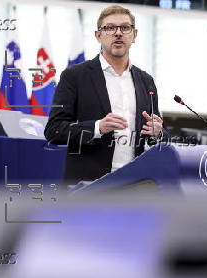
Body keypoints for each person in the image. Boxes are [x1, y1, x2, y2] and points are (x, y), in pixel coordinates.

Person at [45, 5, 165, 184]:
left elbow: (156, 133)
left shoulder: (146, 80)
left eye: (125, 27)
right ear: (98, 35)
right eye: (109, 28)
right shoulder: (75, 76)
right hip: (88, 184)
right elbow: (54, 131)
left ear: (134, 35)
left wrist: (158, 134)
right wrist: (97, 127)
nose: (118, 33)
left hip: (135, 184)